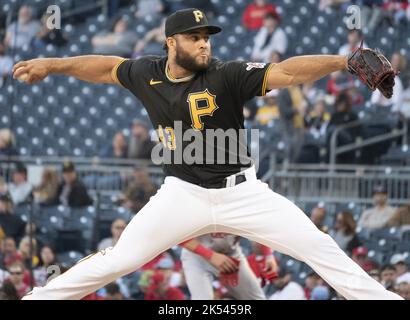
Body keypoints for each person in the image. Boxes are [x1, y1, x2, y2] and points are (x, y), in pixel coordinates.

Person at [13, 8, 401, 300]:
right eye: (193, 36)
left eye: (207, 37)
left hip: (242, 193)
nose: (203, 43)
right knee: (119, 260)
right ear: (171, 42)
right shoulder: (146, 73)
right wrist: (52, 64)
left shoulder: (226, 73)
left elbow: (287, 72)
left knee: (319, 247)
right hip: (182, 194)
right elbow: (105, 67)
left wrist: (343, 62)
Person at [180, 234, 274, 299]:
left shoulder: (243, 206)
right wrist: (210, 255)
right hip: (197, 255)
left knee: (256, 298)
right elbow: (178, 234)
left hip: (231, 255)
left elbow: (259, 225)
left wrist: (269, 255)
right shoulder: (197, 206)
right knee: (203, 298)